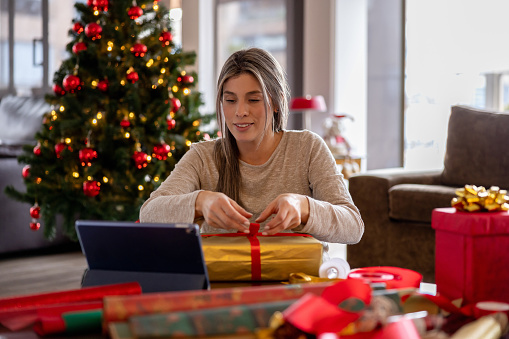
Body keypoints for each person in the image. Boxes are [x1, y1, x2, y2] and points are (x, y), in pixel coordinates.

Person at [140, 47, 364, 244]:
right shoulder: (202, 157)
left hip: (295, 282)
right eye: (230, 100)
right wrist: (201, 202)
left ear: (276, 103)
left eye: (253, 100)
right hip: (225, 285)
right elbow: (149, 213)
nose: (240, 112)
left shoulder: (308, 148)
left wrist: (303, 207)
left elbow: (353, 227)